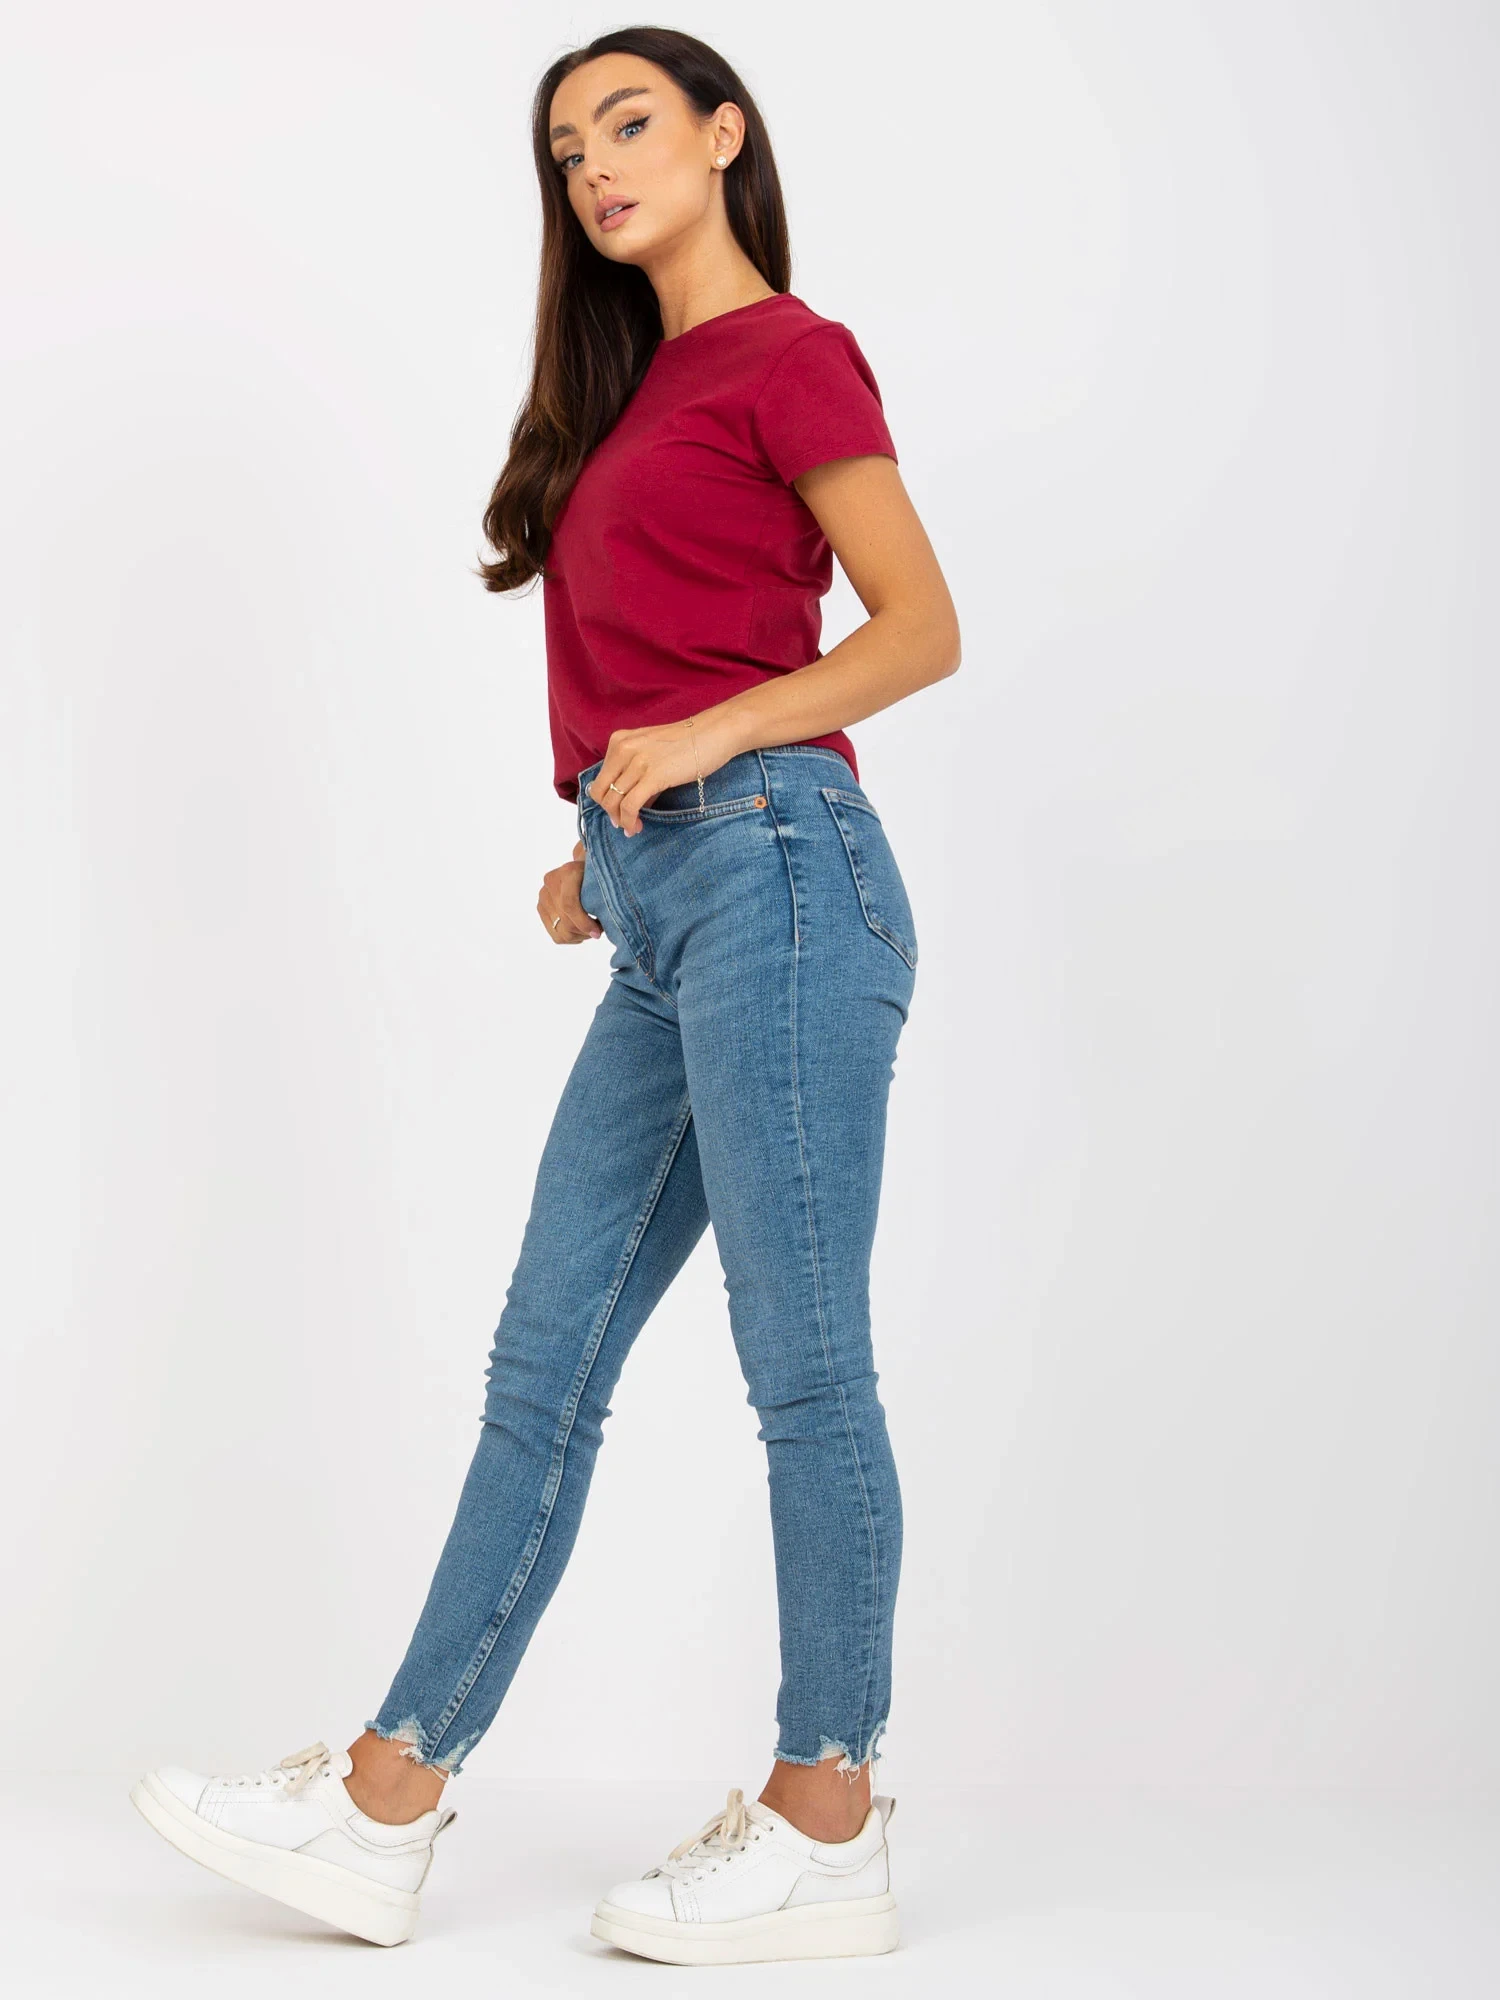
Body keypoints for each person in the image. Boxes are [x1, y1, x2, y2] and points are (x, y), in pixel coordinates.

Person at [130, 25, 960, 1965]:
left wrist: (708, 745)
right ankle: (385, 1797)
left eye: (631, 123)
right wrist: (610, 842)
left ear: (726, 135)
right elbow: (669, 650)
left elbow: (920, 627)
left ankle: (828, 1812)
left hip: (786, 876)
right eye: (568, 144)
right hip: (677, 900)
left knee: (802, 1365)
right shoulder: (627, 394)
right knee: (544, 1364)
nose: (594, 165)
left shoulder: (791, 353)